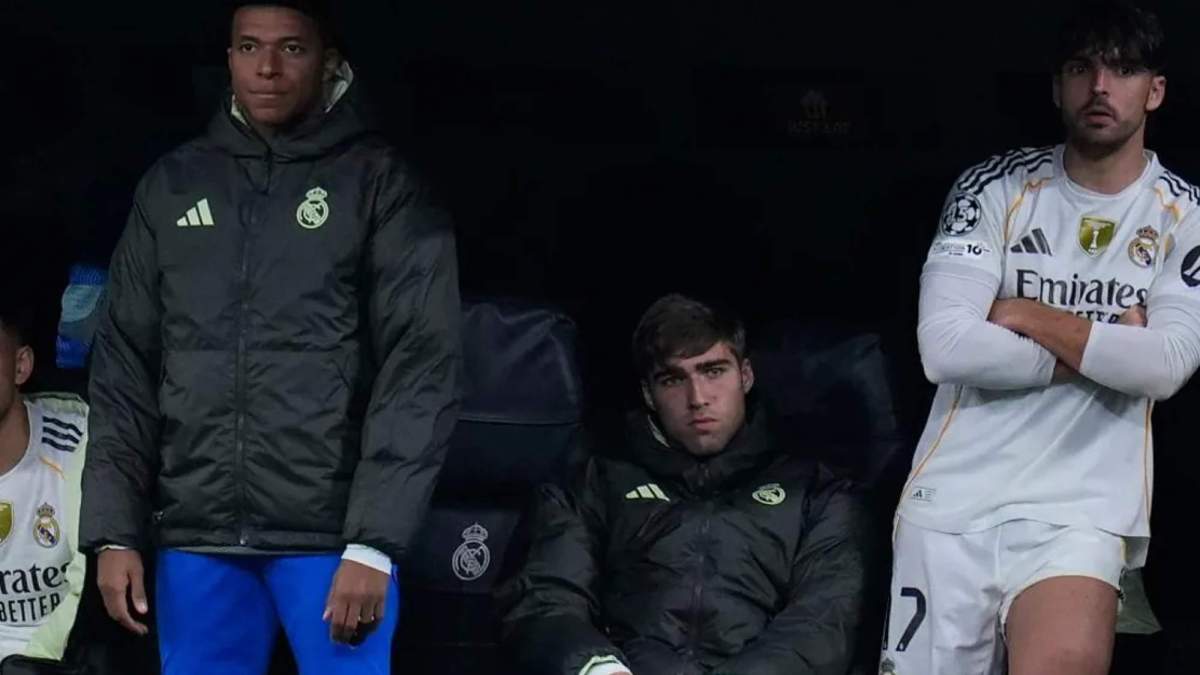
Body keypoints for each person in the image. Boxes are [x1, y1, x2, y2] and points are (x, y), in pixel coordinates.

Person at [79, 1, 461, 673]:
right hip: (197, 534)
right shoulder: (174, 184)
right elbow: (124, 368)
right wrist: (113, 531)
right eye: (249, 47)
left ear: (329, 61)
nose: (268, 68)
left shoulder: (379, 182)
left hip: (331, 538)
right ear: (227, 58)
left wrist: (374, 544)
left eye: (291, 49)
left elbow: (420, 365)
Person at [883, 3, 1200, 674]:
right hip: (953, 502)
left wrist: (1027, 312)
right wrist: (1107, 349)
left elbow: (1167, 363)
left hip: (1079, 507)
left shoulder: (1187, 214)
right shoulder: (993, 187)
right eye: (1082, 69)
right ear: (1058, 87)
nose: (1101, 87)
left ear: (1157, 89)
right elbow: (945, 346)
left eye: (1124, 68)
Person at [499, 294, 870, 675]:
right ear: (648, 394)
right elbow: (547, 597)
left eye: (713, 371)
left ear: (745, 376)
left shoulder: (816, 490)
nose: (697, 399)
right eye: (673, 379)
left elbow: (824, 623)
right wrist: (596, 666)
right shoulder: (594, 479)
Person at [0, 299, 88, 661]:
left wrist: (31, 663)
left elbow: (88, 583)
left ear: (21, 366)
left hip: (57, 660)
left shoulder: (77, 437)